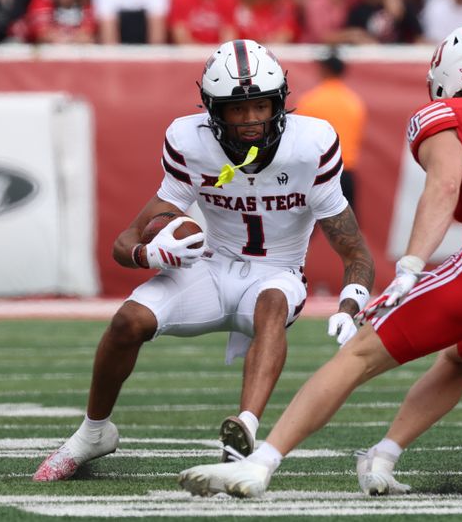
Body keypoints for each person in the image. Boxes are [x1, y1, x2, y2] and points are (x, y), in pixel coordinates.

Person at [177, 25, 462, 498]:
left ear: (443, 80)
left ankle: (259, 465)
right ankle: (382, 456)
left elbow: (444, 185)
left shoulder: (448, 112)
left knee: (359, 353)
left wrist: (410, 267)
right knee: (457, 360)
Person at [33, 39, 374, 482]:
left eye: (262, 106)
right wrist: (148, 253)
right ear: (214, 111)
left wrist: (352, 303)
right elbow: (126, 240)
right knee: (126, 322)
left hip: (278, 271)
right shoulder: (190, 143)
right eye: (237, 109)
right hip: (211, 268)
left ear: (280, 102)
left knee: (271, 304)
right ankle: (93, 432)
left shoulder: (310, 146)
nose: (252, 120)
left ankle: (243, 434)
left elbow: (356, 252)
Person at [295, 49, 366, 215]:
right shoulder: (354, 102)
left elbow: (298, 141)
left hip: (315, 173)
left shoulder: (310, 101)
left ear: (325, 69)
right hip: (345, 172)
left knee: (302, 229)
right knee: (350, 231)